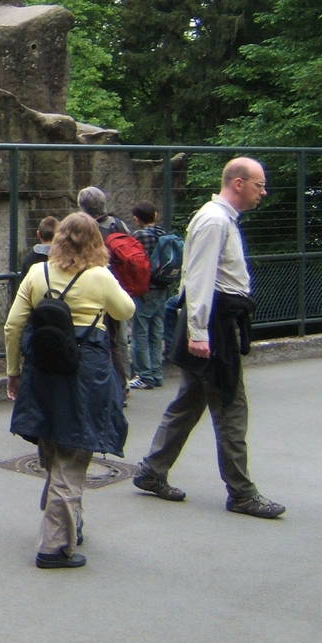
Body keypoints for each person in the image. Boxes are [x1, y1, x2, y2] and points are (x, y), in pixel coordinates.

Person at [132, 158, 286, 519]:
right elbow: (199, 279)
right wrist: (200, 333)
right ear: (238, 183)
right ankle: (241, 493)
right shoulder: (215, 221)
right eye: (259, 185)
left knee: (190, 400)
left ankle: (152, 470)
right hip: (213, 325)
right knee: (231, 405)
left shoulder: (219, 219)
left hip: (212, 322)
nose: (264, 192)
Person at [4, 212, 135, 569]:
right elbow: (126, 310)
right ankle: (54, 545)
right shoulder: (99, 276)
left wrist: (13, 372)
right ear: (96, 241)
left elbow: (13, 326)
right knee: (72, 452)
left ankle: (66, 517)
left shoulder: (37, 274)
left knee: (53, 442)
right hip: (84, 374)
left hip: (43, 371)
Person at [77, 186, 134, 384]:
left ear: (82, 206)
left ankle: (106, 384)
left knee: (100, 338)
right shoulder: (119, 225)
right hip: (118, 286)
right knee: (118, 339)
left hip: (92, 289)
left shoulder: (82, 229)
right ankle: (123, 382)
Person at [127, 201, 170, 390]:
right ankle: (157, 373)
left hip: (144, 289)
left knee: (140, 332)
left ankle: (144, 375)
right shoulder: (163, 234)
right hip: (162, 287)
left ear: (137, 219)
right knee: (157, 331)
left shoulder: (139, 236)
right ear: (155, 215)